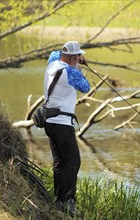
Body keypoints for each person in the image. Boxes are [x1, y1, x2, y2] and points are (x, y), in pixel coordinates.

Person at [44, 41, 90, 216]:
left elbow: (56, 54)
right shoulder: (69, 72)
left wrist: (76, 59)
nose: (79, 59)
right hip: (62, 123)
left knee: (60, 162)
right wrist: (79, 66)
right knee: (72, 162)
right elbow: (86, 87)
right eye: (77, 56)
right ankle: (67, 202)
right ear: (72, 57)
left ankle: (59, 199)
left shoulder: (52, 63)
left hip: (50, 122)